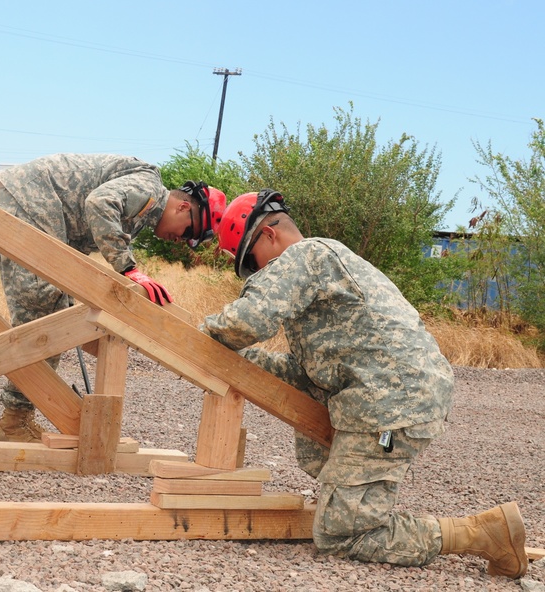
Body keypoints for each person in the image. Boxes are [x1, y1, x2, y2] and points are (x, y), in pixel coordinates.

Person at [198, 189, 528, 578]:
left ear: (269, 235)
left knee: (341, 535)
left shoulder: (306, 256)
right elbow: (307, 373)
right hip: (388, 393)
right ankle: (353, 502)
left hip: (391, 401)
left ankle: (482, 533)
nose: (257, 275)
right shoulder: (324, 267)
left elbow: (245, 322)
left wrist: (199, 334)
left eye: (252, 265)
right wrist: (233, 361)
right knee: (329, 477)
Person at [0, 153, 226, 441]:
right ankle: (14, 422)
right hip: (28, 198)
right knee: (41, 307)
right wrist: (129, 268)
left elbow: (81, 226)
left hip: (32, 202)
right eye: (189, 232)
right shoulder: (149, 189)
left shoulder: (141, 211)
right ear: (183, 207)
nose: (183, 241)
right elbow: (99, 203)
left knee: (52, 307)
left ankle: (17, 418)